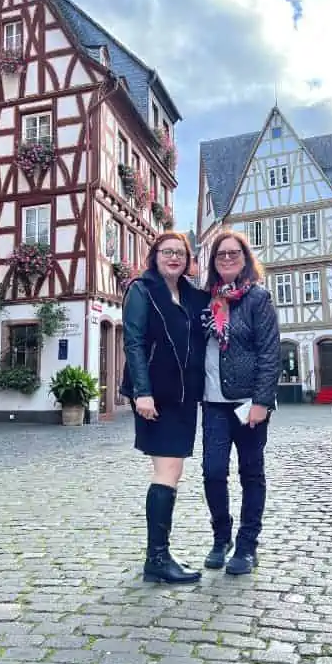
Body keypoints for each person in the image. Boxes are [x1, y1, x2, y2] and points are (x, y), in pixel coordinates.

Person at [120, 231, 208, 585]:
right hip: (155, 396)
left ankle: (159, 554)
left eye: (180, 253)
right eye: (166, 251)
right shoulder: (142, 290)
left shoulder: (191, 296)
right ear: (154, 256)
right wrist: (142, 392)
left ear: (188, 260)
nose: (173, 257)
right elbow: (134, 341)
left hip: (185, 396)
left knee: (173, 471)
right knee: (167, 471)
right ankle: (156, 558)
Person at [199, 228, 280, 576]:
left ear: (245, 259)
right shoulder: (206, 299)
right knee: (213, 472)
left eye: (234, 253)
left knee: (251, 472)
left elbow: (270, 353)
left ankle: (247, 546)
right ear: (214, 263)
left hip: (249, 402)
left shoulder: (258, 299)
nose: (228, 258)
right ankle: (222, 537)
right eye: (221, 254)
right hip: (213, 402)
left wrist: (261, 401)